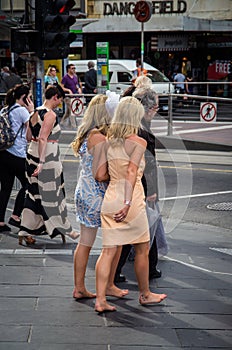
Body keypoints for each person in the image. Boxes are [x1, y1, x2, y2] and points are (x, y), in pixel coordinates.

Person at [94, 96, 167, 313]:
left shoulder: (107, 141)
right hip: (131, 199)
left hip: (110, 197)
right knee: (142, 249)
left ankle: (100, 300)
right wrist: (127, 203)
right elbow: (132, 172)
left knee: (107, 252)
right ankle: (145, 294)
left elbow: (99, 175)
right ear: (134, 116)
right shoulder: (139, 141)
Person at [71, 92, 126, 301]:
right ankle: (109, 284)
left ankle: (79, 287)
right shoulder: (100, 137)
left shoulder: (88, 134)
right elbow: (99, 174)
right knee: (115, 243)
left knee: (85, 242)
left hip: (83, 191)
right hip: (97, 194)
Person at [115, 78, 164, 283]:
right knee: (139, 233)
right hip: (138, 187)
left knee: (139, 232)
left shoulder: (129, 126)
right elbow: (146, 165)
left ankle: (140, 269)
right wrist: (151, 190)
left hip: (129, 186)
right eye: (157, 106)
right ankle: (143, 276)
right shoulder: (143, 131)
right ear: (151, 107)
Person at [18, 85, 78, 245]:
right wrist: (42, 162)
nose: (60, 103)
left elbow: (29, 136)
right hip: (47, 158)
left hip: (32, 155)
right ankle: (64, 228)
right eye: (60, 99)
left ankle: (25, 229)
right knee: (54, 194)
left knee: (34, 194)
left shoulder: (35, 112)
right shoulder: (50, 115)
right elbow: (44, 138)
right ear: (55, 97)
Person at [0, 84, 34, 233]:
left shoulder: (4, 109)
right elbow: (29, 136)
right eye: (30, 96)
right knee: (28, 183)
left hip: (3, 153)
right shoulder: (22, 111)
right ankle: (15, 215)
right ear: (25, 97)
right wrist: (31, 112)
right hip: (17, 154)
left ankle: (0, 221)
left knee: (5, 188)